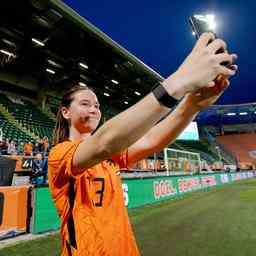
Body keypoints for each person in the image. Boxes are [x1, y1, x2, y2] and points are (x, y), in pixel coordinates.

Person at [48, 33, 238, 256]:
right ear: (65, 112)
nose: (94, 109)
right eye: (85, 103)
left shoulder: (111, 156)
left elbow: (150, 140)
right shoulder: (59, 156)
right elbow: (103, 143)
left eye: (97, 105)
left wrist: (190, 106)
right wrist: (178, 82)